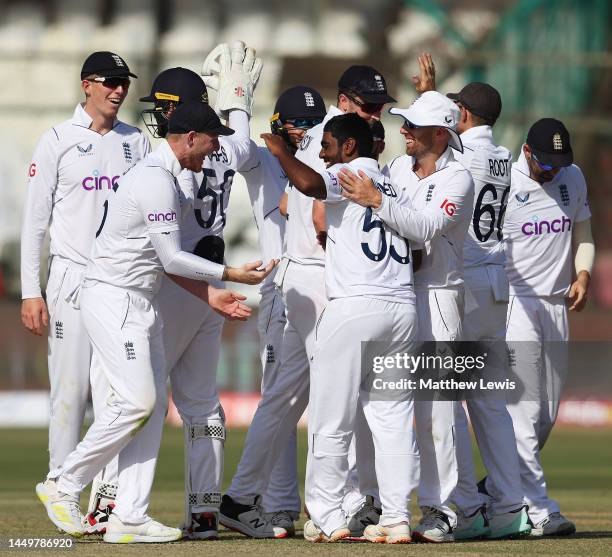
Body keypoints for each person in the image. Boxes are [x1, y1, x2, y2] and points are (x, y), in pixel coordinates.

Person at [35, 101, 274, 543]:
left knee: (153, 409)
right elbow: (171, 256)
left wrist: (212, 295)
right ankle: (62, 483)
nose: (214, 147)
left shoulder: (177, 177)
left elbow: (166, 264)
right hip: (114, 298)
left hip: (141, 299)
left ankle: (129, 516)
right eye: (210, 138)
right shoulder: (154, 179)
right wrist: (230, 274)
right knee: (137, 402)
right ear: (188, 138)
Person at [219, 65, 397, 539]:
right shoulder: (339, 145)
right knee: (338, 400)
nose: (374, 116)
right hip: (321, 281)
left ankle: (239, 498)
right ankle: (339, 506)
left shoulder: (316, 144)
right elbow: (317, 210)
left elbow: (286, 202)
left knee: (284, 399)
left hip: (295, 282)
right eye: (367, 107)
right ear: (345, 104)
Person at [262, 113, 422, 543]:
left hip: (353, 305)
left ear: (349, 147)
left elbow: (311, 185)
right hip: (402, 308)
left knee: (331, 419)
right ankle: (396, 517)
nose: (321, 152)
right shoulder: (393, 185)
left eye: (328, 145)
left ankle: (328, 516)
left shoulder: (346, 174)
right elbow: (419, 250)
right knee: (391, 420)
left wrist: (280, 152)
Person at [338, 90, 474, 542]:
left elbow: (426, 229)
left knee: (435, 411)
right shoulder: (397, 168)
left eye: (413, 126)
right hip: (393, 294)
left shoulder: (460, 179)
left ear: (440, 134)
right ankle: (379, 501)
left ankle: (440, 508)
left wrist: (377, 202)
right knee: (383, 405)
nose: (404, 131)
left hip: (437, 297)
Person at [21, 51, 150, 520]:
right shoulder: (56, 140)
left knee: (118, 394)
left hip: (119, 281)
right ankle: (62, 489)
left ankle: (105, 498)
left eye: (124, 82)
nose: (119, 90)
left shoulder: (137, 142)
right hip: (71, 278)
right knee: (70, 390)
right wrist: (29, 291)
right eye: (110, 81)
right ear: (86, 85)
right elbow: (35, 224)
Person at [412, 53, 531, 539]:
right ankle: (508, 506)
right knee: (489, 404)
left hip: (464, 282)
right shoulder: (502, 154)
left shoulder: (463, 156)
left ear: (459, 117)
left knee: (448, 399)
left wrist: (428, 92)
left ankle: (463, 505)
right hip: (496, 283)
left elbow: (431, 144)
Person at [228, 86, 326, 537]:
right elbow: (237, 149)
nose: (303, 131)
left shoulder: (328, 157)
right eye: (295, 123)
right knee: (280, 398)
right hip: (277, 289)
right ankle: (281, 502)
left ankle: (338, 500)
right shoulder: (265, 160)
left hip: (327, 287)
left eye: (311, 123)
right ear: (277, 125)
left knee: (329, 397)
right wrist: (237, 104)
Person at [503, 118, 593, 536]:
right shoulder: (506, 182)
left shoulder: (571, 176)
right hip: (515, 305)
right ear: (526, 151)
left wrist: (583, 273)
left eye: (559, 162)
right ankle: (538, 510)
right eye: (545, 162)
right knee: (524, 410)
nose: (553, 170)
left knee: (546, 416)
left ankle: (500, 488)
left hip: (556, 304)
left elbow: (583, 231)